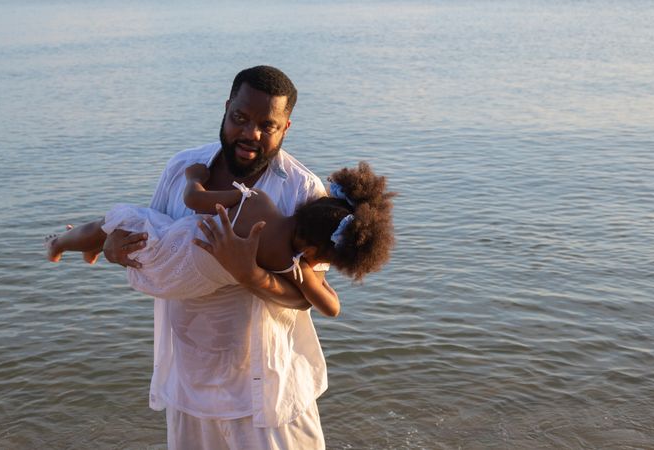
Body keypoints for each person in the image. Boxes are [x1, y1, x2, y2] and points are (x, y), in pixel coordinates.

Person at [87, 65, 381, 449]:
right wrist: (112, 248)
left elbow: (308, 295)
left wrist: (249, 274)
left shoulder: (302, 189)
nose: (250, 134)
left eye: (267, 125)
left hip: (265, 392)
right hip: (190, 385)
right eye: (239, 119)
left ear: (286, 127)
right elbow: (153, 239)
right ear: (226, 108)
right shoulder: (182, 169)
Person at [45, 162, 395, 317]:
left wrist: (195, 176)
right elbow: (330, 307)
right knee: (113, 229)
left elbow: (194, 200)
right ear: (314, 251)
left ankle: (61, 243)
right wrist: (306, 271)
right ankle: (86, 246)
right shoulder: (286, 264)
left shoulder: (258, 201)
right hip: (182, 281)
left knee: (112, 221)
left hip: (170, 246)